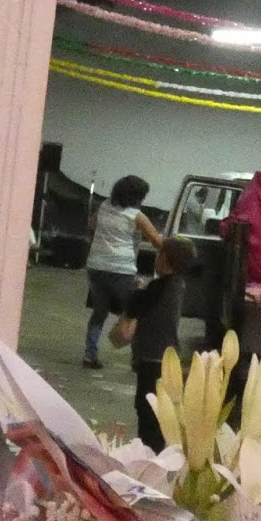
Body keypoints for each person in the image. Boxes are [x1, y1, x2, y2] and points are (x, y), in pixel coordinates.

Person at [82, 174, 161, 369]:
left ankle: (90, 355)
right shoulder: (136, 215)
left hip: (96, 267)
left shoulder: (104, 206)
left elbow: (91, 225)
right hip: (121, 270)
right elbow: (156, 240)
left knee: (99, 312)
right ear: (137, 197)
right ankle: (138, 358)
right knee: (134, 312)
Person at [126, 237, 197, 450]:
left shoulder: (159, 286)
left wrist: (137, 289)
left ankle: (149, 453)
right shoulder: (178, 284)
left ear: (164, 259)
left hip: (151, 357)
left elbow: (135, 306)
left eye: (158, 253)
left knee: (147, 409)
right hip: (166, 357)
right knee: (159, 412)